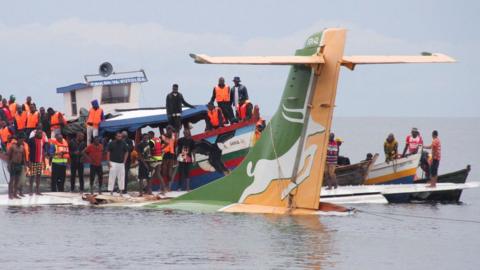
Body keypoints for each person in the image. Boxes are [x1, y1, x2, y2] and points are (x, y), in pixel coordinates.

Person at [27, 129, 48, 195]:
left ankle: (37, 190)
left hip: (40, 160)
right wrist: (29, 161)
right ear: (36, 133)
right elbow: (28, 151)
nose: (40, 135)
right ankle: (30, 190)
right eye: (39, 133)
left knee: (38, 176)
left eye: (41, 133)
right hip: (33, 160)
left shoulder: (42, 140)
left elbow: (43, 151)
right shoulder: (31, 140)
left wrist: (44, 161)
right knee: (32, 176)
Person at [161, 126, 176, 191]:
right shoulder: (163, 136)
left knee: (169, 172)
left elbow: (173, 144)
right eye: (169, 130)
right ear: (167, 130)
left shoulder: (173, 135)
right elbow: (163, 144)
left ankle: (168, 187)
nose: (171, 131)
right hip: (164, 155)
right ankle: (163, 186)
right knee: (164, 172)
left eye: (171, 130)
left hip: (171, 155)